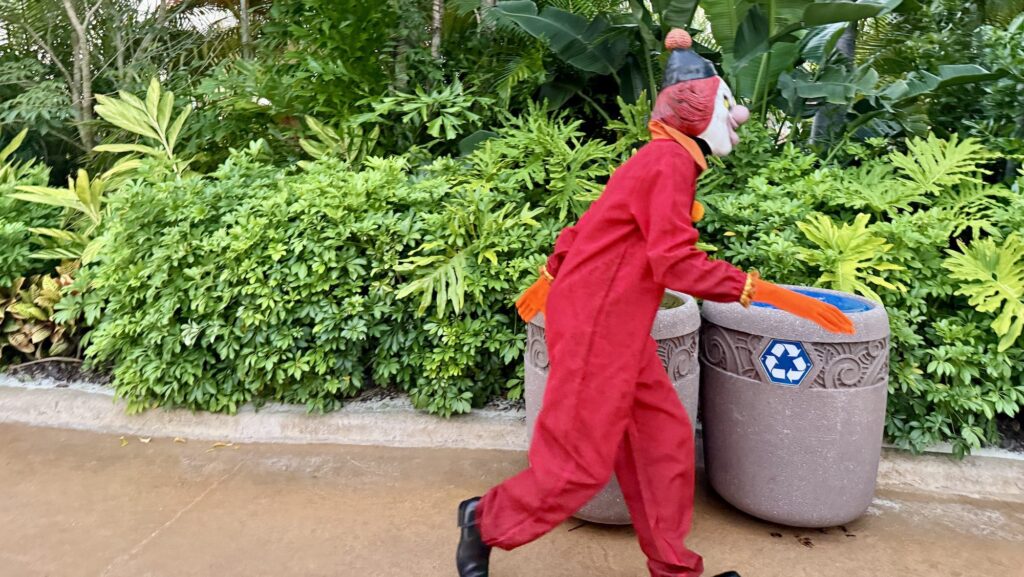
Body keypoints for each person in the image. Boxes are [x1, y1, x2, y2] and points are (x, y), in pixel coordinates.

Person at [455, 29, 855, 577]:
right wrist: (766, 293)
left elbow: (590, 227)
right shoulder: (669, 163)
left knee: (663, 443)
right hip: (599, 324)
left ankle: (674, 569)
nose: (737, 117)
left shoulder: (666, 160)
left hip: (616, 321)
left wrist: (555, 273)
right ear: (697, 110)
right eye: (728, 105)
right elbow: (674, 263)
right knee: (579, 464)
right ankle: (486, 519)